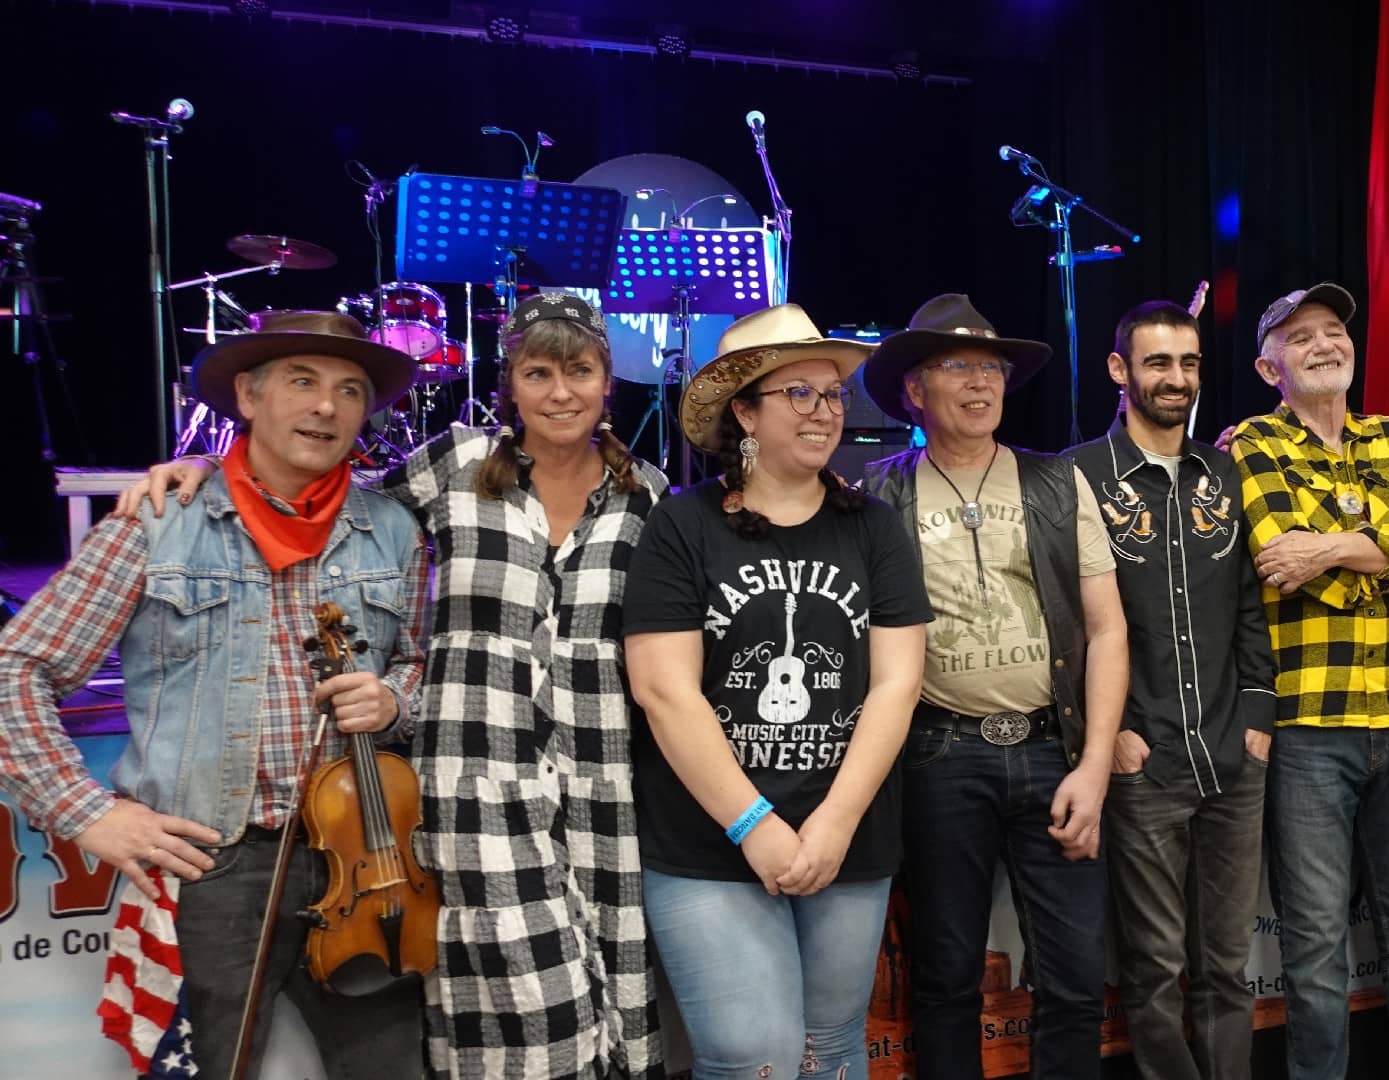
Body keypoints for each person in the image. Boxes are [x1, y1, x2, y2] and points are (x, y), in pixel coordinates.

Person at [118, 292, 671, 1079]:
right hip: (480, 785)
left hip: (602, 778)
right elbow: (321, 488)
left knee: (616, 982)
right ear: (509, 383)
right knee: (522, 1003)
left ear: (606, 382)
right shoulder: (458, 463)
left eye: (578, 371)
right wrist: (210, 470)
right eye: (537, 371)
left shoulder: (646, 492)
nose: (560, 392)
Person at [0, 311, 429, 1077]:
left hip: (366, 864)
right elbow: (15, 670)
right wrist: (85, 812)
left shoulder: (395, 529)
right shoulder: (158, 522)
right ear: (248, 396)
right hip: (212, 865)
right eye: (302, 382)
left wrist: (396, 698)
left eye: (350, 390)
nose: (326, 407)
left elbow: (424, 663)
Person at [623, 303, 930, 1080]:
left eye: (831, 394)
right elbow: (665, 692)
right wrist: (756, 824)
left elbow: (897, 683)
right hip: (710, 842)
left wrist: (835, 820)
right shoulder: (682, 525)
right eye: (799, 393)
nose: (825, 411)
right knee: (753, 1055)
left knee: (832, 1051)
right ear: (744, 413)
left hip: (846, 831)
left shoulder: (874, 527)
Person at [859, 293, 1128, 1079]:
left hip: (1054, 748)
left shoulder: (1054, 483)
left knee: (1076, 979)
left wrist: (1095, 765)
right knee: (946, 979)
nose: (979, 383)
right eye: (955, 366)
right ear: (914, 389)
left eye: (991, 367)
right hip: (939, 755)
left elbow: (1108, 628)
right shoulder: (879, 494)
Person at [1230, 283, 1389, 1080]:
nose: (1325, 344)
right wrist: (1386, 558)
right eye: (1302, 338)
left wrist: (1327, 547)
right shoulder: (1254, 443)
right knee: (1317, 937)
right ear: (1270, 367)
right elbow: (1274, 553)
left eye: (1334, 331)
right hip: (1309, 726)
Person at [1065, 300, 1274, 1080]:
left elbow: (1252, 600)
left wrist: (1258, 716)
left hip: (1232, 755)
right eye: (1157, 363)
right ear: (1120, 370)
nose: (1176, 379)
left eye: (1188, 363)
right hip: (1140, 757)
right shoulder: (1078, 475)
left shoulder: (1227, 471)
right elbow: (1064, 622)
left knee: (1227, 964)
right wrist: (1102, 730)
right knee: (1153, 972)